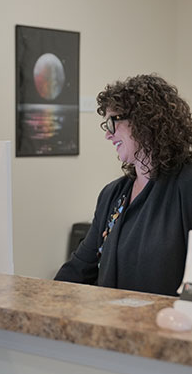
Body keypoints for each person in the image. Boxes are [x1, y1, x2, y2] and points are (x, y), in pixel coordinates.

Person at [55, 73, 192, 296]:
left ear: (144, 120)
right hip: (115, 325)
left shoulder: (185, 184)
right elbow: (79, 269)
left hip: (170, 326)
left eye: (112, 123)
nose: (108, 135)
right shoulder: (112, 194)